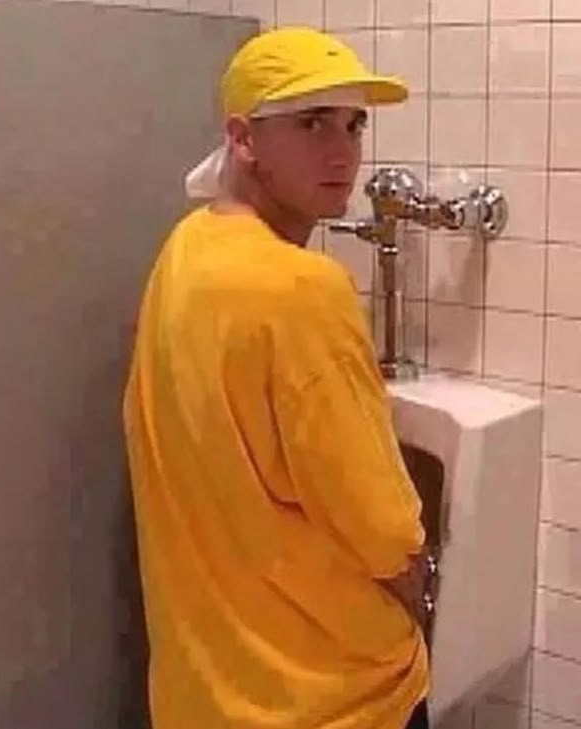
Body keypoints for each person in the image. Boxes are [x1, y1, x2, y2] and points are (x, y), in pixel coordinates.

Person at [123, 26, 432, 729]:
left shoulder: (185, 252)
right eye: (312, 122)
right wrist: (419, 588)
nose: (343, 150)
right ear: (244, 138)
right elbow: (385, 527)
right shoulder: (302, 288)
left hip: (205, 694)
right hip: (332, 699)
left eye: (354, 123)